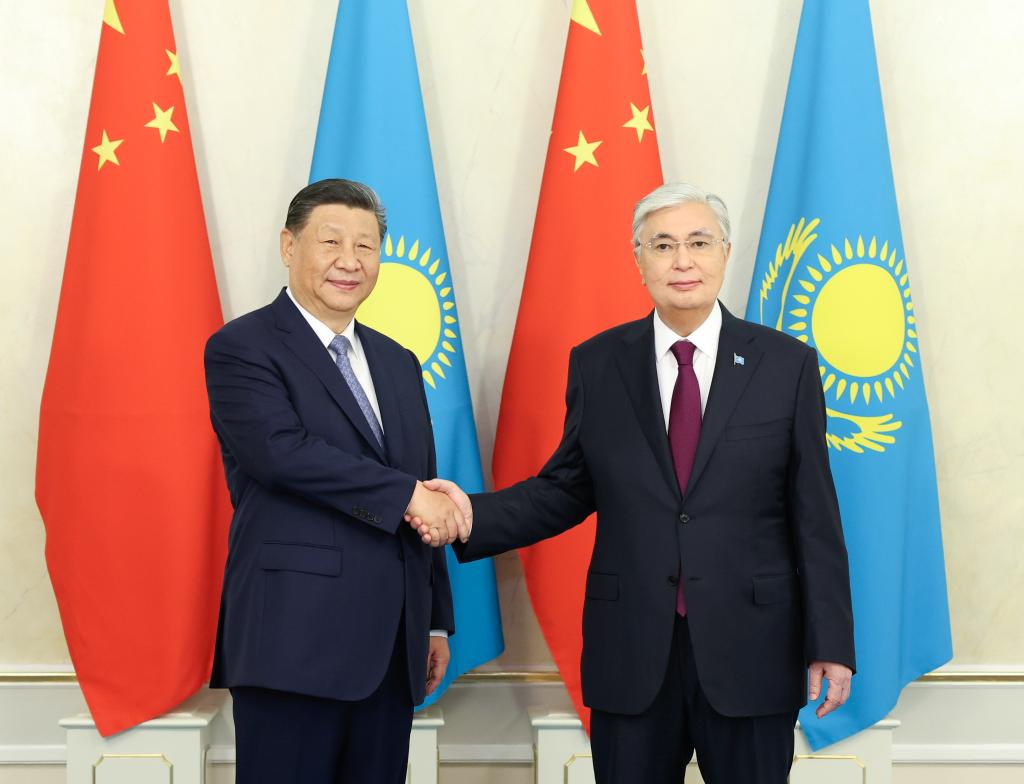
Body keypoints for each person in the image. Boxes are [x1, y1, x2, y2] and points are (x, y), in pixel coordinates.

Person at [411, 183, 856, 783]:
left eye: (699, 243)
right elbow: (567, 487)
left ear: (725, 253)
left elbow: (815, 514)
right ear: (638, 259)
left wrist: (831, 643)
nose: (682, 261)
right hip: (632, 650)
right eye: (663, 245)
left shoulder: (786, 365)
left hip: (752, 649)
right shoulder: (599, 362)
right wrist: (470, 513)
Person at [205, 178, 468, 784]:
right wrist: (406, 494)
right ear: (288, 246)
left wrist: (432, 620)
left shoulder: (399, 362)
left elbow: (423, 484)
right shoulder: (242, 347)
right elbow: (281, 454)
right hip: (292, 642)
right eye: (331, 242)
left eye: (366, 246)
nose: (350, 261)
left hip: (392, 648)